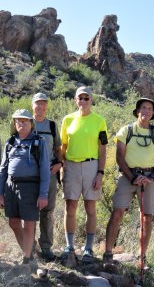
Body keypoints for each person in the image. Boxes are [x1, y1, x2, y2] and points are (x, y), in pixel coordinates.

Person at [103, 98, 154, 266]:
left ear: (153, 113)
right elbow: (119, 157)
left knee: (147, 217)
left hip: (148, 178)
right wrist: (132, 177)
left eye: (149, 108)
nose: (146, 111)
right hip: (127, 176)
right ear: (137, 111)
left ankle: (142, 256)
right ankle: (108, 253)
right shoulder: (126, 130)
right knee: (117, 212)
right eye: (143, 108)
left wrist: (151, 177)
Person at [60, 86, 108, 263]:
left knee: (90, 208)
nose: (83, 101)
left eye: (86, 98)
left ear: (92, 100)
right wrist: (62, 168)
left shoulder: (99, 121)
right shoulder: (67, 120)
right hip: (71, 166)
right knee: (70, 207)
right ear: (75, 100)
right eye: (80, 98)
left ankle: (88, 248)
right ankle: (69, 246)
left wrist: (100, 173)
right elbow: (63, 147)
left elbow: (103, 149)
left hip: (91, 166)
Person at [0, 109, 50, 266]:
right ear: (14, 123)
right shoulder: (10, 142)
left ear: (31, 123)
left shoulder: (39, 142)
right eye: (18, 121)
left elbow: (45, 170)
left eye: (25, 121)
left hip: (30, 187)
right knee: (13, 222)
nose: (21, 123)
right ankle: (29, 251)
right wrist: (0, 193)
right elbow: (3, 169)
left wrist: (43, 194)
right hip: (10, 186)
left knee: (29, 224)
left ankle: (27, 260)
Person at [31, 93, 63, 260]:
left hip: (49, 172)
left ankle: (46, 247)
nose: (40, 107)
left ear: (47, 106)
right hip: (29, 173)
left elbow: (59, 150)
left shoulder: (52, 125)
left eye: (43, 104)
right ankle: (29, 246)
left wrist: (59, 164)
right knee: (29, 210)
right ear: (32, 106)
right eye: (37, 104)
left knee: (48, 211)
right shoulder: (26, 123)